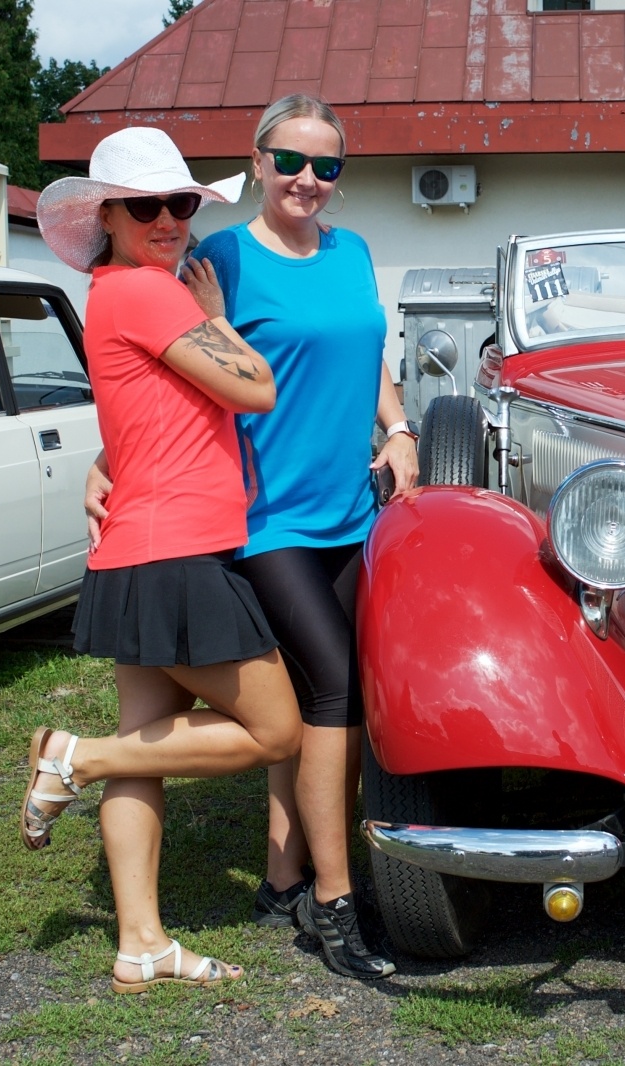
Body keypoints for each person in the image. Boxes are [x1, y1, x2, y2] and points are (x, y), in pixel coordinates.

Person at [87, 95, 416, 980]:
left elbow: (366, 348)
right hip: (265, 520)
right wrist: (106, 460)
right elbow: (158, 367)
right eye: (291, 160)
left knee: (330, 698)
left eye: (328, 165)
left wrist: (400, 427)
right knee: (333, 691)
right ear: (259, 162)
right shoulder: (216, 257)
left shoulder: (352, 254)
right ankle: (337, 905)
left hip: (351, 510)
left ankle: (286, 874)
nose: (308, 179)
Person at [26, 126, 302, 994]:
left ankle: (140, 941)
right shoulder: (149, 294)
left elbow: (144, 420)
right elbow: (256, 387)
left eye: (179, 203)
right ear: (105, 215)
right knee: (276, 729)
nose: (167, 220)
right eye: (143, 205)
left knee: (147, 745)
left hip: (137, 548)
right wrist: (217, 315)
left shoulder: (113, 292)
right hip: (175, 551)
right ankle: (76, 755)